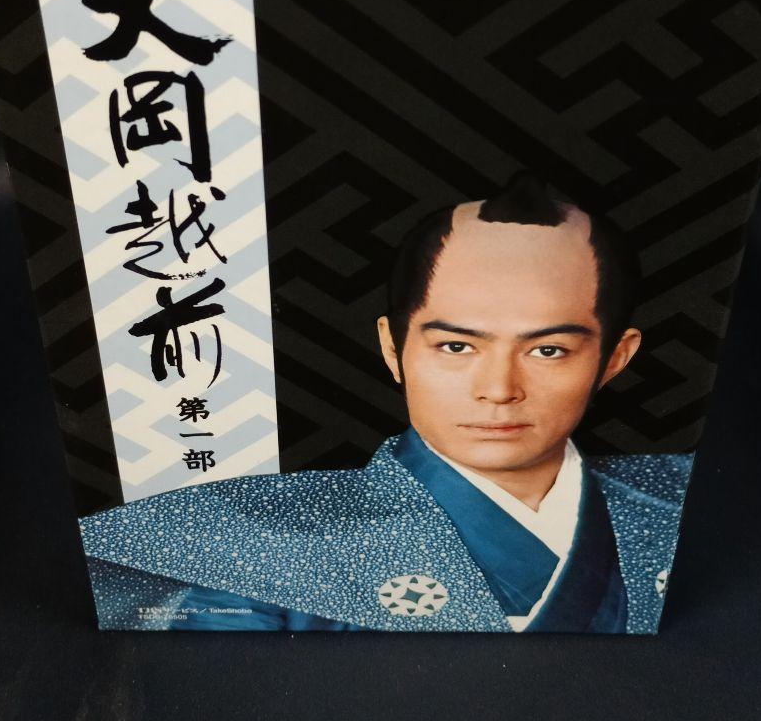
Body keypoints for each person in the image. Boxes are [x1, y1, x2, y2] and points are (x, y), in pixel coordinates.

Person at [80, 172, 692, 633]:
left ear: (615, 357)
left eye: (549, 350)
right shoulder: (240, 540)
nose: (499, 388)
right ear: (392, 348)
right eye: (456, 346)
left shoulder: (694, 500)